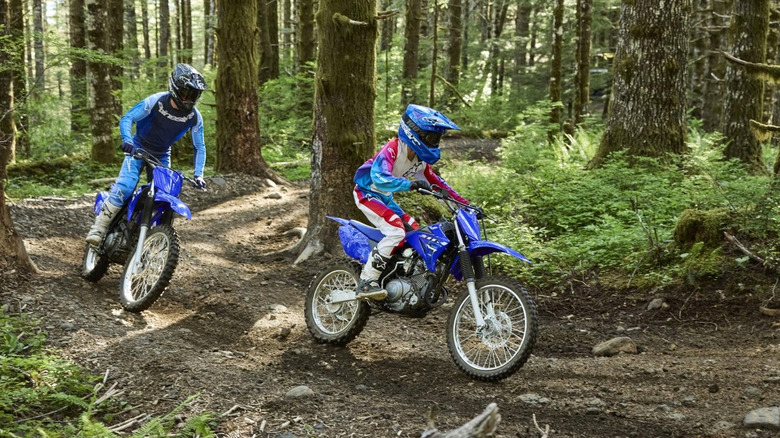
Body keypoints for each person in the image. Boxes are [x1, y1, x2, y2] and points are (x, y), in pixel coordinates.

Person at [352, 104, 469, 300]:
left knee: (415, 231)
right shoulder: (393, 149)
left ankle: (400, 277)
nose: (435, 142)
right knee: (396, 230)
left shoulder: (420, 160)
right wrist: (410, 185)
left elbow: (438, 184)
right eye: (431, 137)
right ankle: (367, 280)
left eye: (437, 138)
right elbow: (380, 178)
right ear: (415, 132)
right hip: (367, 194)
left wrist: (465, 205)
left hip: (385, 198)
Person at [85, 63, 208, 245]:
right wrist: (127, 140)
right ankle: (99, 228)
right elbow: (128, 118)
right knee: (126, 186)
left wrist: (199, 174)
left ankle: (145, 235)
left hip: (162, 154)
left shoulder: (194, 117)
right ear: (175, 87)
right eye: (187, 93)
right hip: (137, 147)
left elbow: (200, 146)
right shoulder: (156, 101)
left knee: (164, 195)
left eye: (194, 95)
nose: (189, 99)